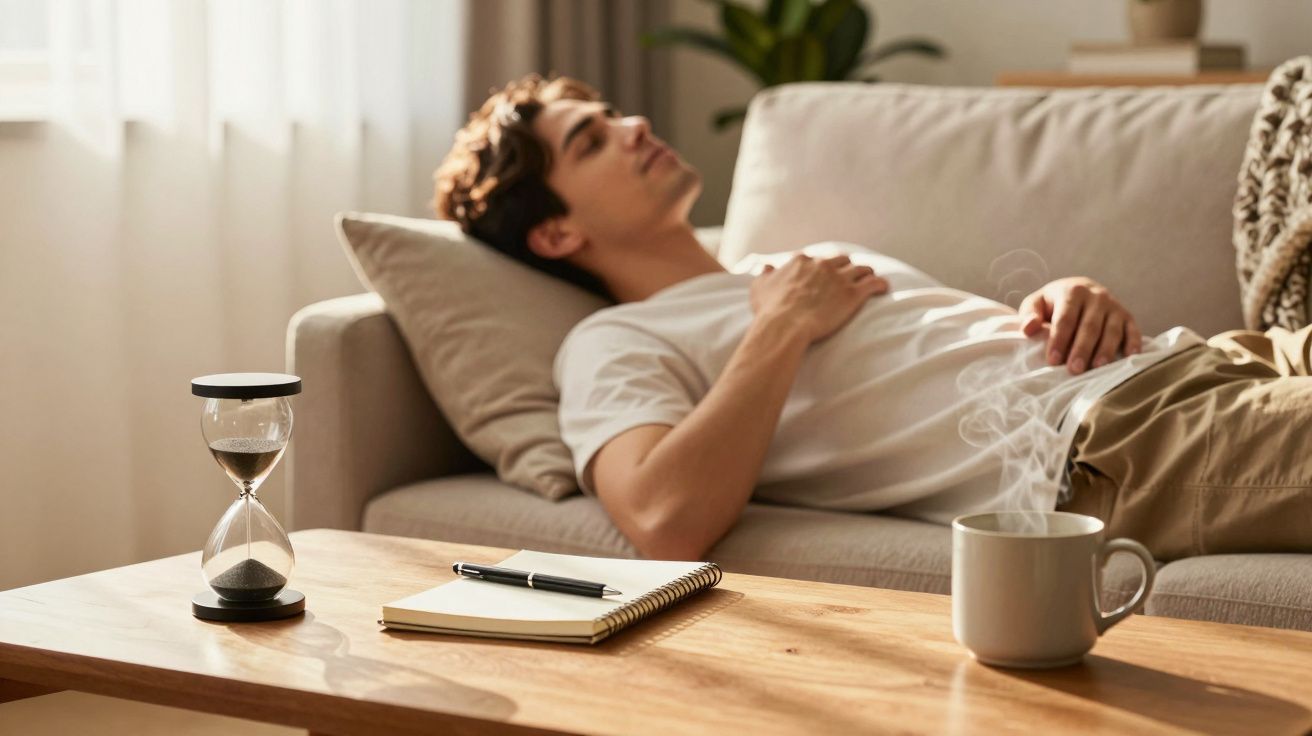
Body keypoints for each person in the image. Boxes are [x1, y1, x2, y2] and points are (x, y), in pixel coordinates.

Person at [434, 74, 1312, 562]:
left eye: (614, 113)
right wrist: (781, 328)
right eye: (590, 140)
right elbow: (664, 517)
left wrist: (1069, 299)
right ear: (556, 231)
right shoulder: (614, 342)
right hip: (1122, 447)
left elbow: (960, 360)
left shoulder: (788, 264)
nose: (632, 126)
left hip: (1206, 360)